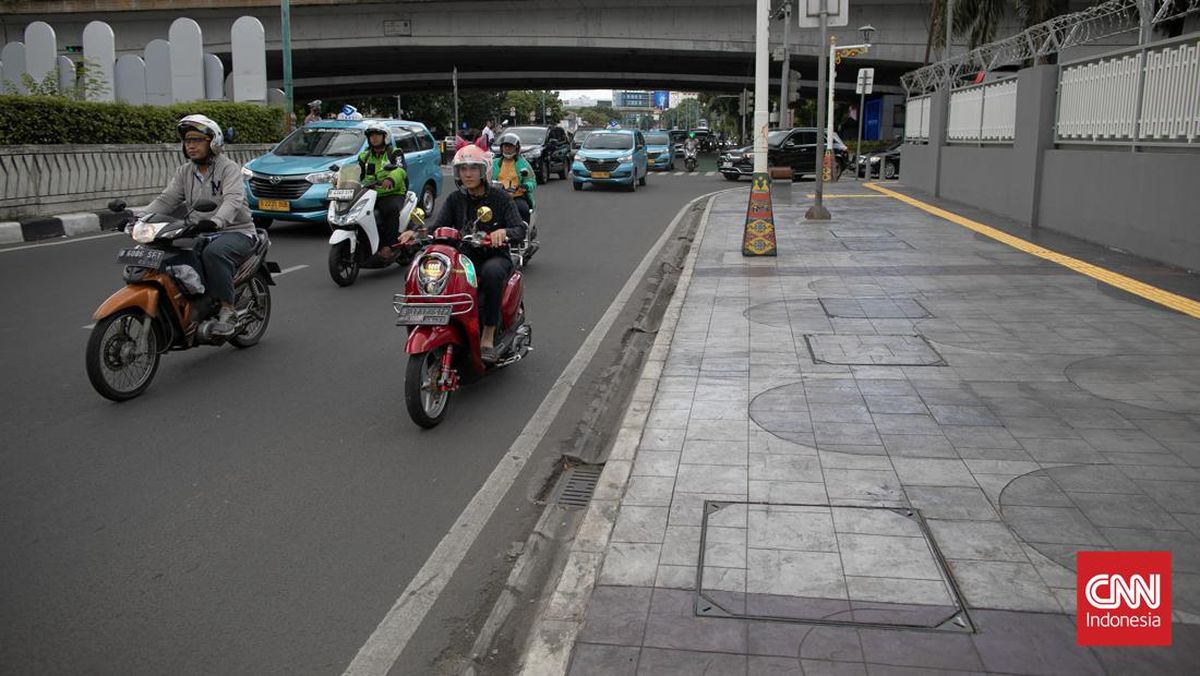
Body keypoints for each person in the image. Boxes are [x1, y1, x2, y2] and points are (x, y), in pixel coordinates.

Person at [400, 145, 525, 362]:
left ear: (483, 171)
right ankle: (429, 323)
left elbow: (519, 229)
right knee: (421, 270)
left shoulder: (501, 198)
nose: (468, 174)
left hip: (493, 255)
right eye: (463, 169)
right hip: (461, 257)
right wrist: (415, 233)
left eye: (473, 169)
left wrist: (502, 232)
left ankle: (487, 335)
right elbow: (438, 227)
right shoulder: (454, 199)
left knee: (492, 274)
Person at [143, 114, 254, 337]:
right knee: (167, 252)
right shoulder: (185, 171)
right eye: (187, 141)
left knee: (214, 253)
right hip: (200, 230)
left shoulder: (228, 168)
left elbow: (232, 200)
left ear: (213, 142)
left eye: (197, 140)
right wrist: (140, 218)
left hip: (236, 231)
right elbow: (167, 200)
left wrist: (216, 221)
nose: (191, 145)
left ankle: (227, 308)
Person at [357, 124, 408, 259]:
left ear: (385, 137)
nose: (374, 138)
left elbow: (400, 169)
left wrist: (391, 178)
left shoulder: (395, 153)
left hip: (392, 193)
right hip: (369, 193)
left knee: (390, 209)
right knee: (359, 214)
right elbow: (357, 173)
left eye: (377, 135)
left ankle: (388, 246)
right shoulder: (364, 156)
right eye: (371, 136)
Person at [491, 131, 536, 224]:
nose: (507, 149)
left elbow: (531, 181)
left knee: (523, 209)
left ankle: (524, 232)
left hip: (516, 196)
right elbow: (486, 179)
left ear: (517, 148)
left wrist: (525, 186)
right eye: (505, 146)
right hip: (496, 196)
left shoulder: (523, 164)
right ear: (501, 148)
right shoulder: (493, 163)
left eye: (510, 146)